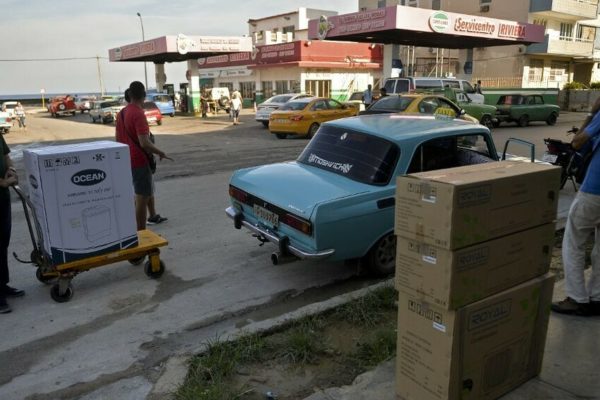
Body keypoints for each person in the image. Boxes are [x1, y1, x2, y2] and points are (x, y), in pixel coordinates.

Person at [551, 107, 600, 316]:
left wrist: (592, 113)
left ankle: (577, 298)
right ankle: (597, 297)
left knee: (573, 242)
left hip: (595, 190)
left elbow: (577, 142)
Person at [116, 82, 172, 231]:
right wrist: (160, 152)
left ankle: (152, 216)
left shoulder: (121, 113)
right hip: (139, 161)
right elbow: (144, 143)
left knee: (146, 191)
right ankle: (141, 234)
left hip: (127, 160)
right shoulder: (138, 113)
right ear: (143, 94)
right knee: (141, 197)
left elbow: (118, 140)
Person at [1, 134, 24, 314]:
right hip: (2, 190)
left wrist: (12, 170)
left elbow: (6, 156)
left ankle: (2, 285)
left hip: (3, 200)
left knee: (3, 244)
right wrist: (3, 182)